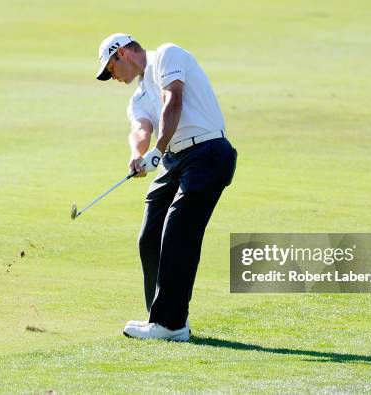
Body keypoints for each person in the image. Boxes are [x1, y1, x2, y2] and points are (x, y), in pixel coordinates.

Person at [95, 33, 237, 341]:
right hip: (175, 160)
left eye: (111, 69)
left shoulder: (166, 56)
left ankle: (170, 325)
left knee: (177, 233)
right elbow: (140, 128)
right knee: (150, 235)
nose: (113, 77)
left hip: (208, 153)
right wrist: (138, 154)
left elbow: (173, 100)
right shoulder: (138, 96)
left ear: (122, 54)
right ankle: (159, 318)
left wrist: (157, 150)